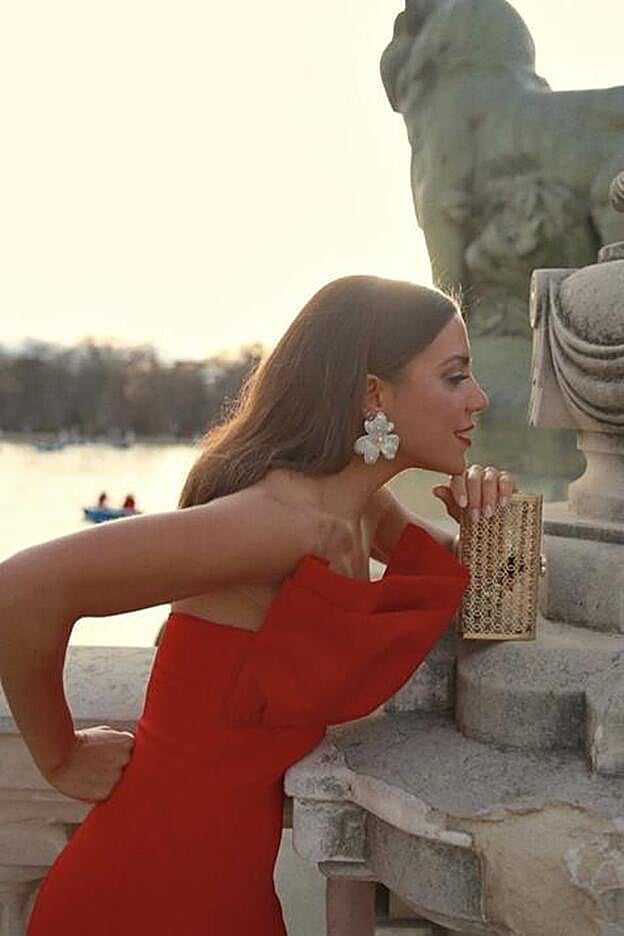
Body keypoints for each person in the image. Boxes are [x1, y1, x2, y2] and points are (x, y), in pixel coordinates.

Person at [0, 276, 515, 935]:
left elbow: (490, 599)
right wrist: (61, 757)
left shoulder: (361, 509)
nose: (480, 398)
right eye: (454, 376)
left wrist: (491, 525)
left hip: (227, 887)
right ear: (373, 395)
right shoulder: (278, 523)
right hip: (141, 891)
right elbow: (22, 589)